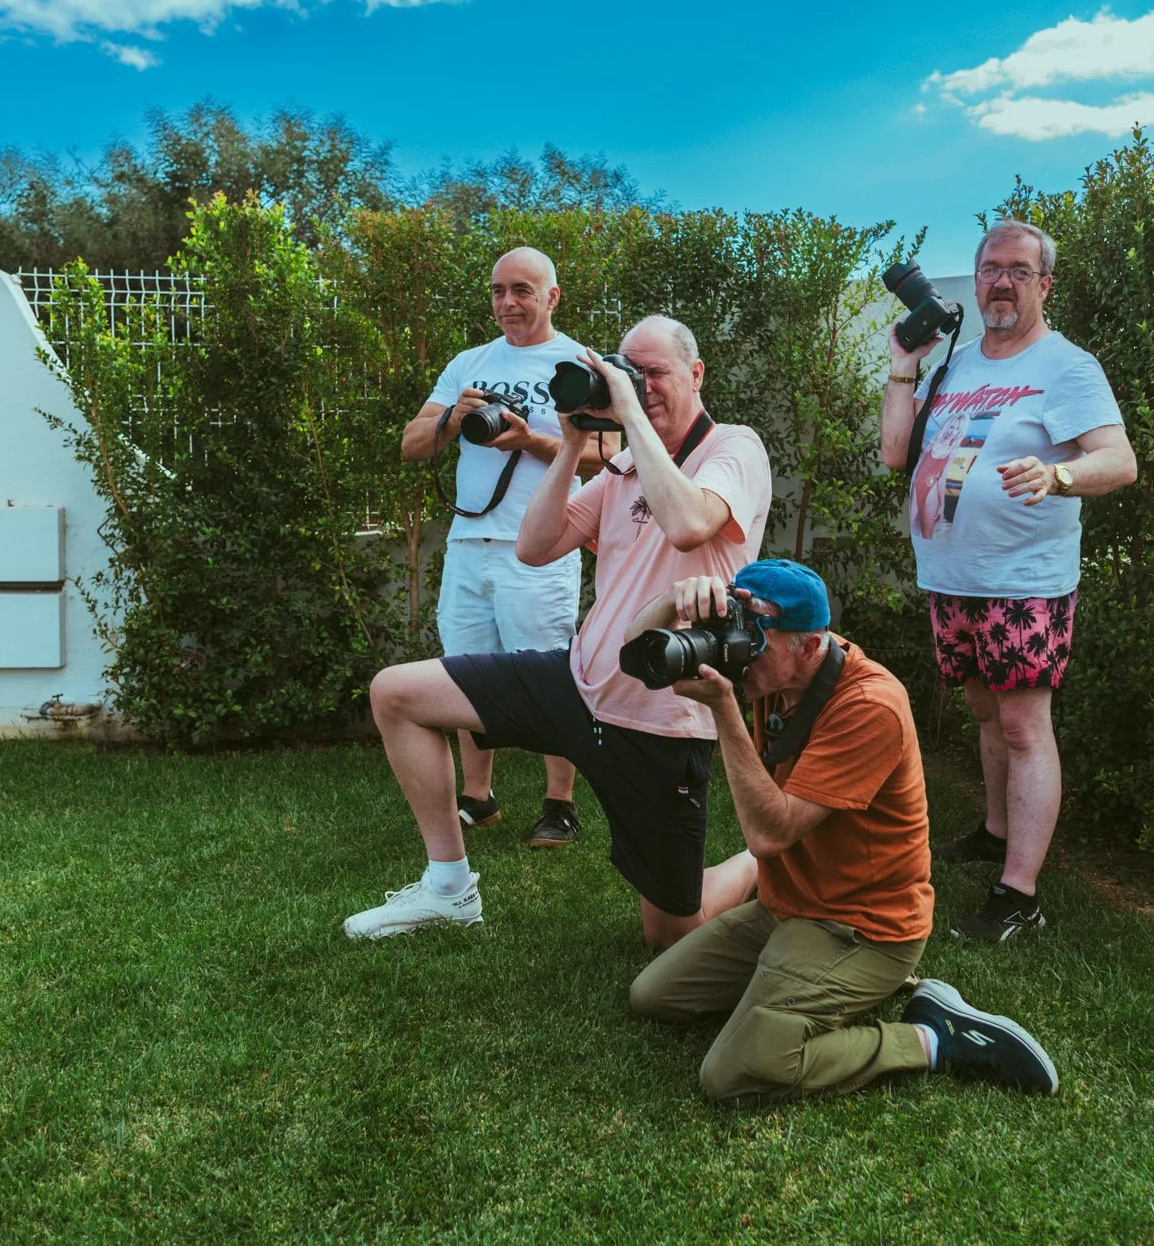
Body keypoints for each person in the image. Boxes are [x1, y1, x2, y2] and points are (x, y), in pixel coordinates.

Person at [346, 314, 773, 947]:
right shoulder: (625, 465)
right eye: (629, 373)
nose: (642, 385)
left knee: (670, 935)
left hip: (658, 714)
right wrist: (571, 442)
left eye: (654, 372)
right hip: (577, 682)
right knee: (396, 693)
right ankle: (448, 887)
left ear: (696, 373)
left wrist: (626, 409)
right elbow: (535, 545)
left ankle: (767, 863)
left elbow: (687, 523)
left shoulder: (734, 447)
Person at [625, 560, 1059, 1104]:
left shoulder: (869, 705)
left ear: (810, 647)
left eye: (756, 640)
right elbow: (632, 644)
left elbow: (769, 835)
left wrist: (723, 711)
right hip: (784, 909)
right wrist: (674, 595)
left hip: (864, 928)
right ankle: (838, 988)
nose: (739, 652)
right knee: (652, 996)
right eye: (737, 633)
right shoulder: (772, 667)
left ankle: (930, 1038)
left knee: (734, 1071)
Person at [878, 221, 1138, 944]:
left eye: (1019, 271)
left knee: (1024, 724)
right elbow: (896, 450)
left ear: (1044, 284)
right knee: (987, 712)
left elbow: (1119, 460)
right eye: (990, 268)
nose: (1000, 282)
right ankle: (996, 831)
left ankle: (1019, 891)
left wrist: (1058, 475)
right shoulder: (954, 365)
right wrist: (905, 362)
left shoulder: (1067, 366)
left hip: (1024, 581)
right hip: (953, 574)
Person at [399, 247, 612, 848]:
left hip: (541, 547)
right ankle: (479, 796)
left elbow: (613, 455)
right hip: (468, 545)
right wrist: (450, 420)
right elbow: (412, 445)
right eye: (497, 291)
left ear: (552, 297)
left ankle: (560, 802)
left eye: (522, 289)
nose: (507, 303)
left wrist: (534, 441)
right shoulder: (468, 362)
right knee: (465, 674)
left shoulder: (579, 364)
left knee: (549, 674)